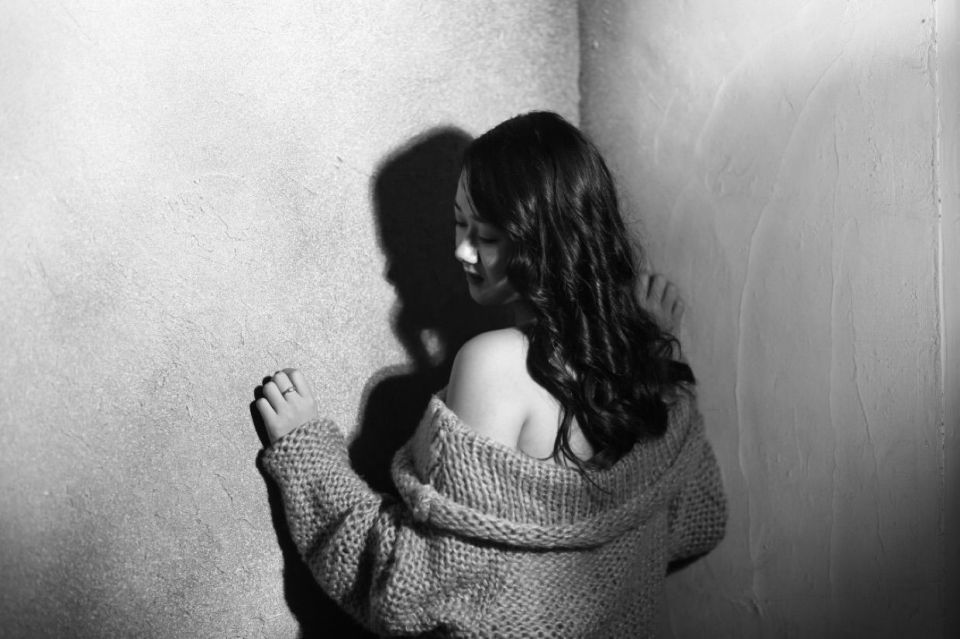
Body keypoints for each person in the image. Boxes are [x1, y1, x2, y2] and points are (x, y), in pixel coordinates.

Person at [255, 112, 726, 637]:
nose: (461, 250)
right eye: (459, 223)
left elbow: (419, 588)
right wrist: (657, 355)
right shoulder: (637, 368)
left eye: (486, 235)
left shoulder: (494, 363)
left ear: (545, 241)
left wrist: (307, 456)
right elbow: (698, 517)